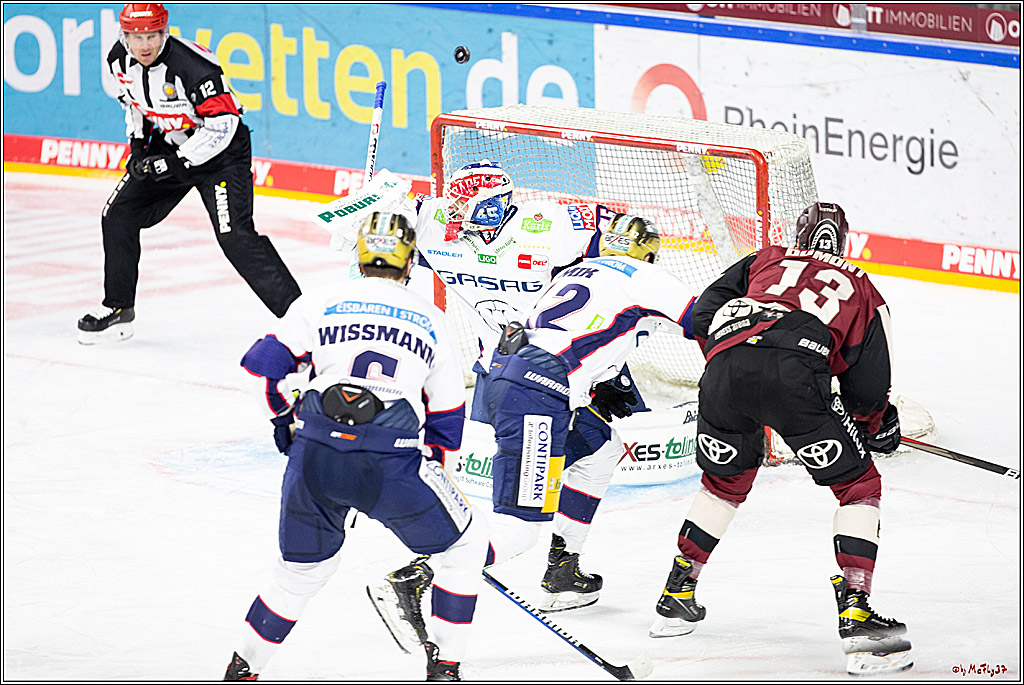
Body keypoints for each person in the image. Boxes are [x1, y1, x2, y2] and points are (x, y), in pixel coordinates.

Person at [367, 161, 665, 627]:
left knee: (600, 450)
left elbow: (622, 246)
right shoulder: (438, 224)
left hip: (549, 374)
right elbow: (375, 238)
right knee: (519, 513)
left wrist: (608, 366)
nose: (457, 214)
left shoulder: (549, 223)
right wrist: (372, 203)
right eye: (456, 204)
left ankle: (561, 567)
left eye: (468, 204)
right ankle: (425, 572)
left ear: (494, 202)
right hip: (519, 381)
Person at [223, 212, 489, 681]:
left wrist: (285, 421)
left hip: (316, 456)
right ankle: (445, 669)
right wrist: (436, 478)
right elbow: (447, 417)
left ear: (361, 255)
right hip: (393, 461)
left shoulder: (319, 301)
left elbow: (268, 367)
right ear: (410, 263)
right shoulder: (432, 317)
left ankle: (243, 667)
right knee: (464, 550)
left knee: (298, 576)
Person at [649, 202, 911, 676]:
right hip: (796, 379)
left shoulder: (765, 258)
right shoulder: (863, 287)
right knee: (859, 488)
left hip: (723, 376)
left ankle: (677, 594)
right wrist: (876, 426)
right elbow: (870, 384)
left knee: (722, 487)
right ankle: (857, 616)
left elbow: (702, 312)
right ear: (844, 240)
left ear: (799, 231)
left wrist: (734, 354)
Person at [78, 3, 301, 344]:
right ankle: (119, 308)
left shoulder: (193, 67)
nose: (144, 45)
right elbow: (134, 105)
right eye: (136, 37)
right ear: (123, 36)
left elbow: (223, 125)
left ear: (164, 32)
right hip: (169, 147)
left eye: (151, 35)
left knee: (235, 238)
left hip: (221, 157)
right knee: (118, 215)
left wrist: (178, 161)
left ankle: (301, 319)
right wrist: (139, 148)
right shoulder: (118, 60)